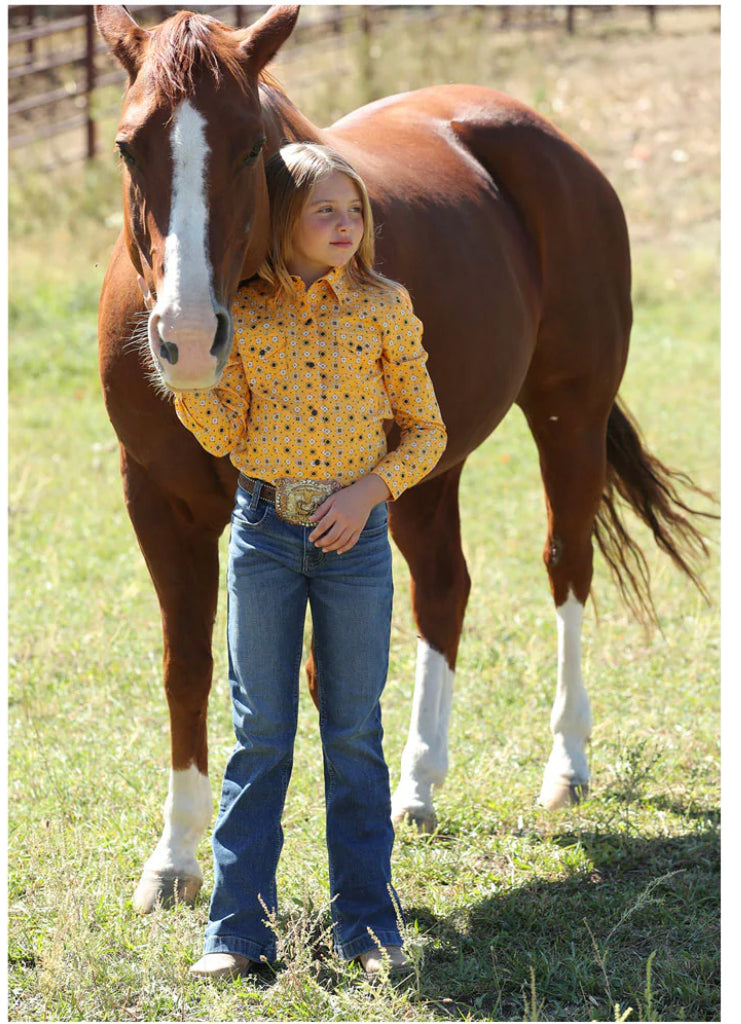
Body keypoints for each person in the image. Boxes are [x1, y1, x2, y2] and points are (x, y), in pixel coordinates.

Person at [172, 143, 447, 981]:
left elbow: (426, 429)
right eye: (325, 210)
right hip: (264, 534)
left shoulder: (383, 306)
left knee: (354, 733)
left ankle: (367, 925)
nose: (344, 225)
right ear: (283, 219)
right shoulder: (246, 312)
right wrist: (191, 379)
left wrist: (369, 493)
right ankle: (236, 930)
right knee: (261, 734)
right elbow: (227, 435)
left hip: (354, 542)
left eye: (353, 211)